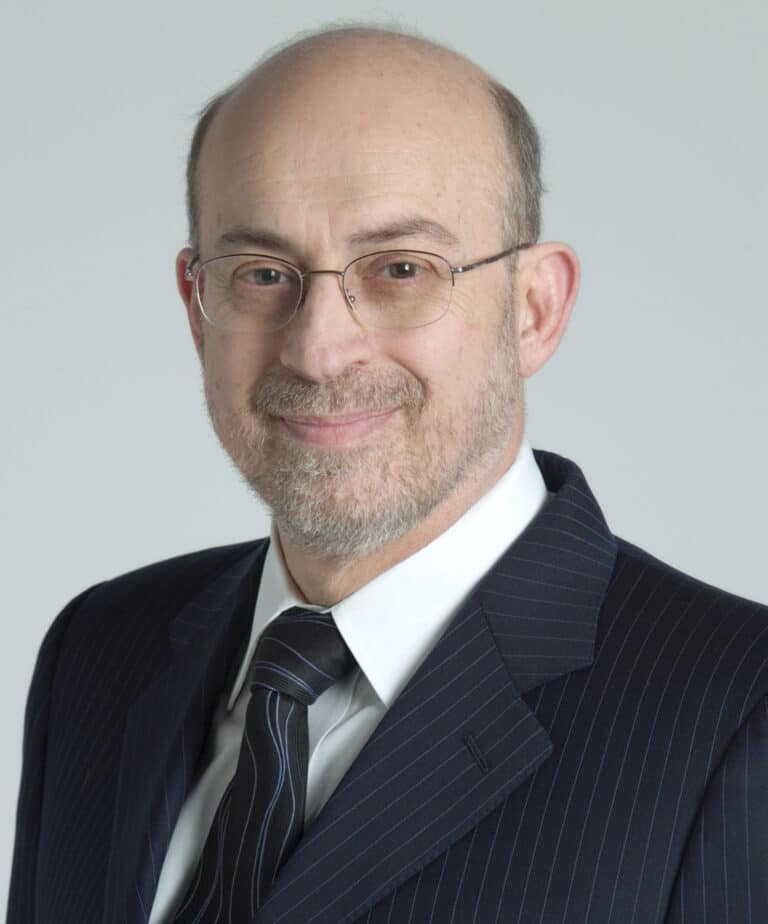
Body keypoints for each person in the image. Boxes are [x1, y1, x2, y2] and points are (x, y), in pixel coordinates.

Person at [8, 24, 768, 924]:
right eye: (262, 273)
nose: (319, 349)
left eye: (402, 268)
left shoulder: (739, 712)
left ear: (534, 308)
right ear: (195, 303)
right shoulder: (101, 650)